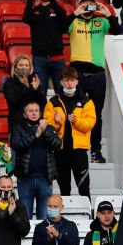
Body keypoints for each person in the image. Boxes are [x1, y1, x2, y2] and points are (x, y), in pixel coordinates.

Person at [67, 0, 119, 162]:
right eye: (84, 4)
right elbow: (61, 28)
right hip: (77, 77)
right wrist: (76, 13)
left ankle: (95, 151)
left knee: (96, 115)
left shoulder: (101, 21)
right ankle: (75, 148)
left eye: (90, 4)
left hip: (97, 76)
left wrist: (108, 14)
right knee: (75, 113)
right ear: (79, 4)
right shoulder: (74, 21)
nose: (87, 7)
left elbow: (118, 31)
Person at [45, 67, 95, 199]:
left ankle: (89, 216)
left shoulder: (86, 101)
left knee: (84, 188)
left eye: (72, 80)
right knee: (64, 189)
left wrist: (77, 121)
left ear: (77, 82)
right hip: (60, 151)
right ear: (61, 82)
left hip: (79, 151)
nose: (69, 83)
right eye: (66, 80)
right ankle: (65, 216)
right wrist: (56, 122)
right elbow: (47, 127)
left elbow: (90, 124)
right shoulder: (53, 102)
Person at [11, 100, 61, 219]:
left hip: (45, 179)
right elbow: (17, 145)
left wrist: (44, 133)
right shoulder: (18, 128)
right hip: (25, 180)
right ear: (25, 114)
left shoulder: (48, 128)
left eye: (36, 111)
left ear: (40, 113)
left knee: (44, 218)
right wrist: (36, 135)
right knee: (25, 218)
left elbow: (57, 145)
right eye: (31, 111)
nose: (34, 113)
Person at [22, 0, 67, 94]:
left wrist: (52, 0)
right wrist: (30, 0)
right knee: (40, 93)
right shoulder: (35, 11)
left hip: (57, 59)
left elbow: (63, 17)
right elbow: (26, 19)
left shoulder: (58, 10)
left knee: (61, 92)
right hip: (39, 59)